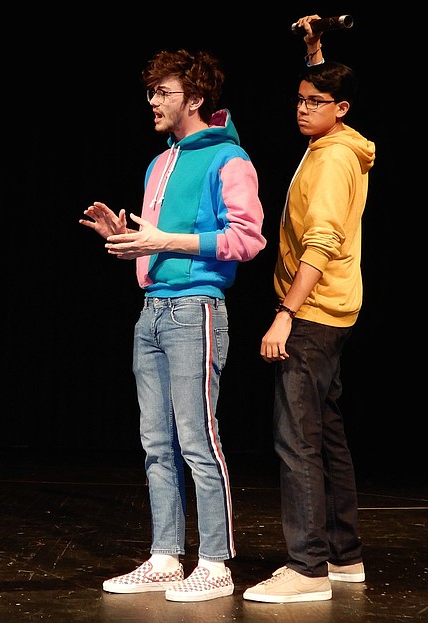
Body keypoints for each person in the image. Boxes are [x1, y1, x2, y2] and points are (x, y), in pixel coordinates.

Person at [80, 49, 266, 602]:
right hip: (152, 311)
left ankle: (214, 562)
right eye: (151, 92)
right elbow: (155, 241)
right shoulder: (158, 164)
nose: (152, 102)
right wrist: (127, 239)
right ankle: (165, 556)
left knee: (197, 439)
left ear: (195, 97)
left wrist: (164, 241)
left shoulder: (229, 160)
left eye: (163, 92)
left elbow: (248, 239)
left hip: (196, 310)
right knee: (156, 443)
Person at [243, 15, 375, 604]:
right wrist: (315, 50)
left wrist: (285, 314)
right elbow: (319, 87)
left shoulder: (329, 162)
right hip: (334, 311)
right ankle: (344, 557)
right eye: (299, 98)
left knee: (297, 439)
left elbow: (321, 242)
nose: (302, 108)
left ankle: (307, 567)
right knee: (327, 435)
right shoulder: (339, 144)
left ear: (340, 108)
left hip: (313, 312)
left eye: (316, 101)